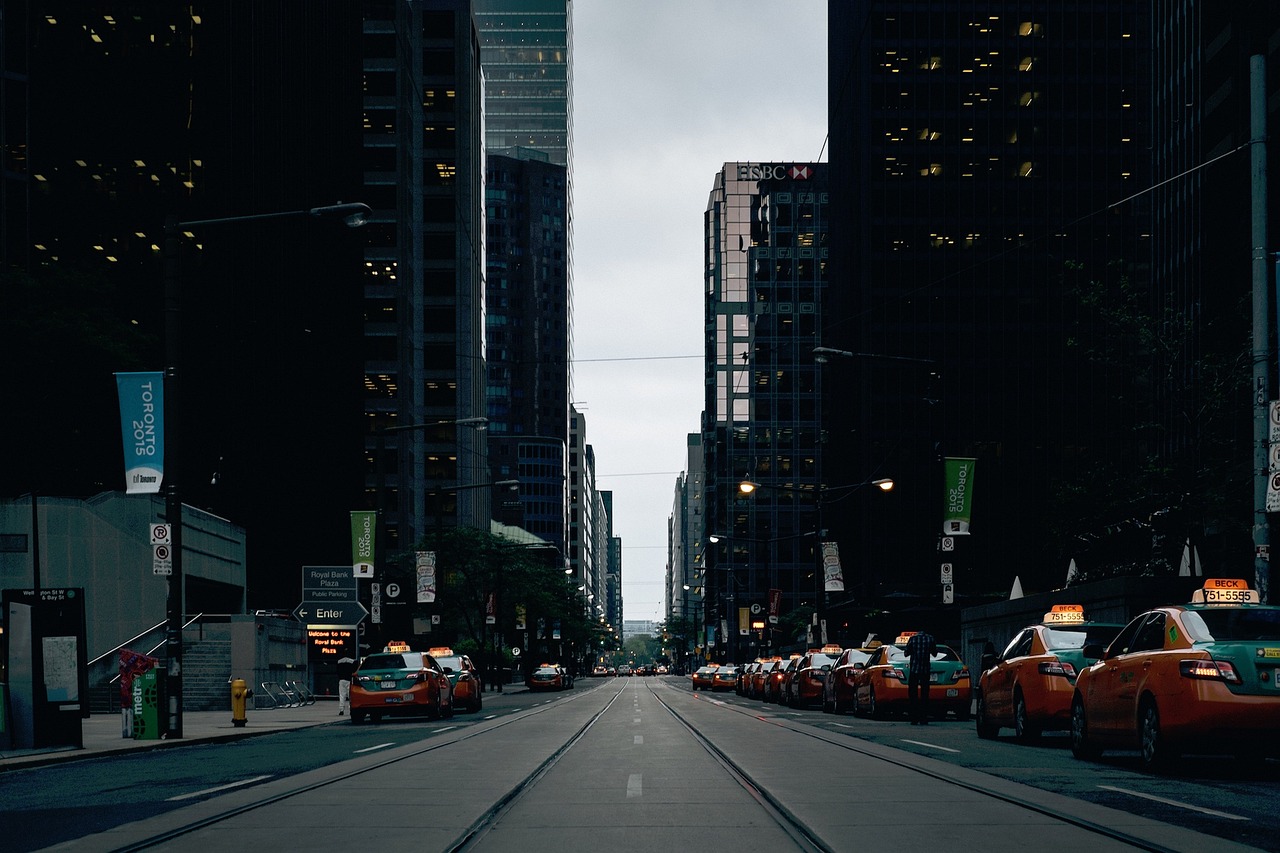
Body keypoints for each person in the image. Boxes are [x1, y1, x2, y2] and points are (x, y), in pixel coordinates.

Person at [904, 630, 937, 725]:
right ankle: (923, 717)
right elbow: (934, 653)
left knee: (913, 694)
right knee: (925, 695)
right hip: (925, 670)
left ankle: (914, 718)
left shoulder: (913, 639)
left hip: (914, 669)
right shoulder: (930, 638)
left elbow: (906, 653)